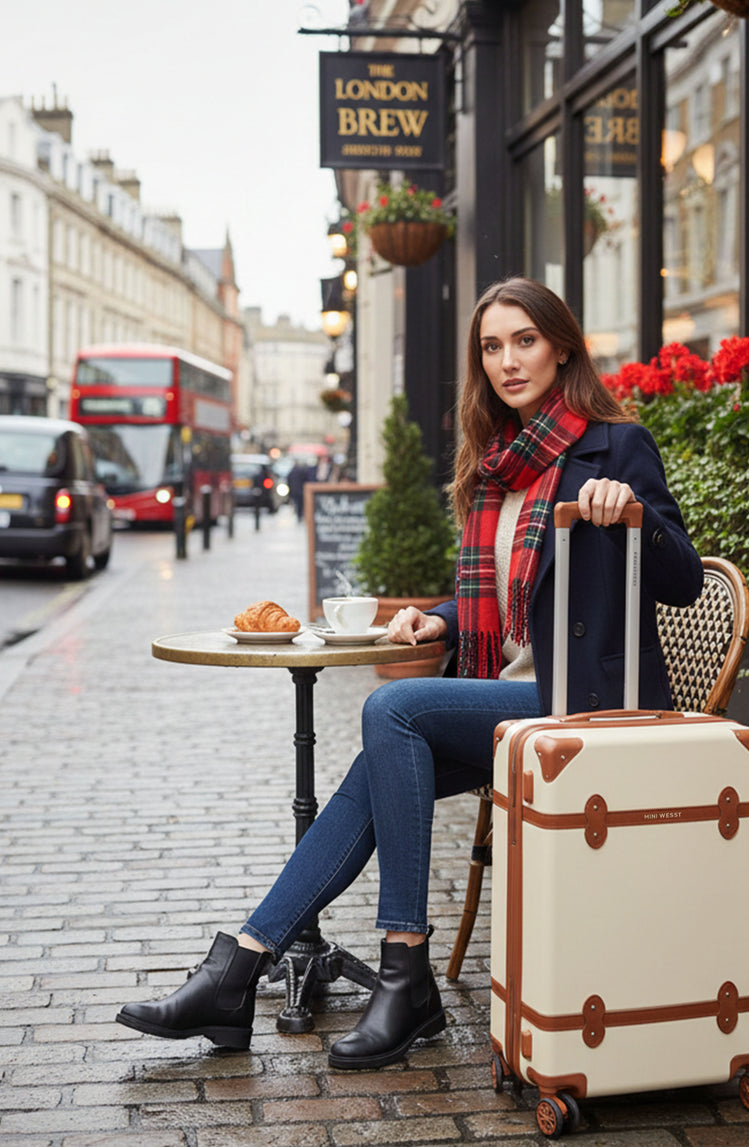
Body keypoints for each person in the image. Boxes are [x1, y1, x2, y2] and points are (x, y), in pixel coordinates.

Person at [116, 277, 703, 1068]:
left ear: (562, 345)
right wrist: (441, 616)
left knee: (394, 710)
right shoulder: (499, 464)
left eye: (524, 340)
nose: (507, 360)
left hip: (587, 707)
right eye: (491, 347)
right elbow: (506, 599)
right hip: (521, 703)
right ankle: (242, 963)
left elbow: (684, 581)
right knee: (378, 765)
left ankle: (398, 970)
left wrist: (629, 510)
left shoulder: (615, 445)